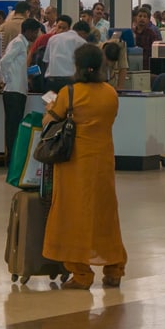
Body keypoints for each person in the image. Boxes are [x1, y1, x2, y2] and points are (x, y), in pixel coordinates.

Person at [42, 44, 127, 290]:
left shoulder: (69, 93)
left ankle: (81, 273)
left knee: (73, 214)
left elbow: (50, 120)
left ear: (77, 66)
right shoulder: (111, 93)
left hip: (74, 164)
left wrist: (49, 108)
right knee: (105, 214)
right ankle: (114, 268)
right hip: (103, 162)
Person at [0, 19, 41, 160]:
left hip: (19, 90)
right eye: (35, 32)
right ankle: (12, 157)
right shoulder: (18, 43)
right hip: (13, 91)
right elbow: (4, 61)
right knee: (12, 126)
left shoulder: (23, 44)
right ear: (28, 31)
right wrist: (6, 79)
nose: (36, 35)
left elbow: (15, 65)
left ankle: (14, 155)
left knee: (15, 125)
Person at [43, 20, 89, 93]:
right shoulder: (81, 42)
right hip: (70, 81)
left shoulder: (53, 38)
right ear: (83, 33)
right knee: (69, 103)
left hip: (52, 80)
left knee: (52, 103)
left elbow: (46, 61)